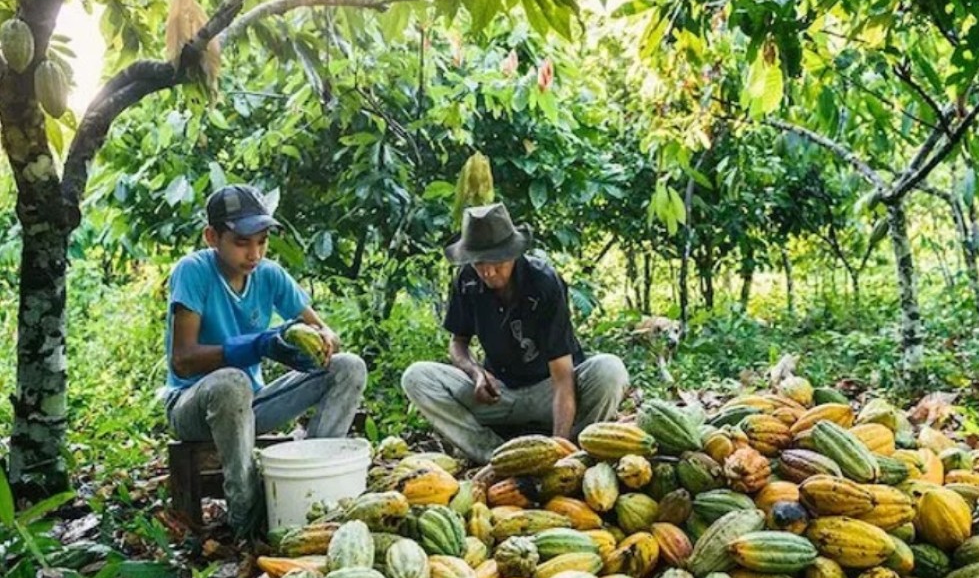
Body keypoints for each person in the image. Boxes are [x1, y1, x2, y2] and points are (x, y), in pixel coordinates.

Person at [161, 184, 367, 535]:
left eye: (261, 242)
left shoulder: (268, 275)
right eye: (242, 243)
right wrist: (255, 345)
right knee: (231, 381)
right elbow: (183, 359)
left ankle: (313, 481)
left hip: (250, 404)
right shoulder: (193, 272)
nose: (253, 253)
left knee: (348, 367)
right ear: (212, 237)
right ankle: (246, 514)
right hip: (192, 405)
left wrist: (318, 341)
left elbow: (324, 329)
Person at [402, 202, 629, 464]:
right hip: (500, 394)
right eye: (478, 262)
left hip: (549, 391)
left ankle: (575, 451)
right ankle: (494, 455)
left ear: (512, 253)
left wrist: (557, 453)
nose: (486, 270)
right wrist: (475, 372)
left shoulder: (543, 281)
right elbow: (458, 342)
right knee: (416, 377)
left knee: (610, 369)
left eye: (495, 261)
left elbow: (563, 377)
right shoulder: (467, 280)